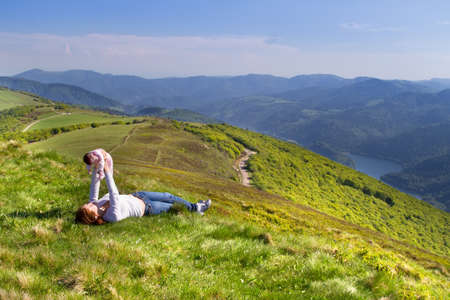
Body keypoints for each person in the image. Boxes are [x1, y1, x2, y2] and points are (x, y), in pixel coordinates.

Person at [76, 157, 211, 225]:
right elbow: (114, 194)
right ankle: (196, 209)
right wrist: (106, 171)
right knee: (172, 207)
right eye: (88, 207)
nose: (89, 204)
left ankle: (194, 207)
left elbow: (94, 187)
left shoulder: (96, 204)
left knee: (168, 195)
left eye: (86, 204)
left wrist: (96, 167)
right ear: (94, 217)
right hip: (148, 208)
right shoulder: (111, 216)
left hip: (139, 195)